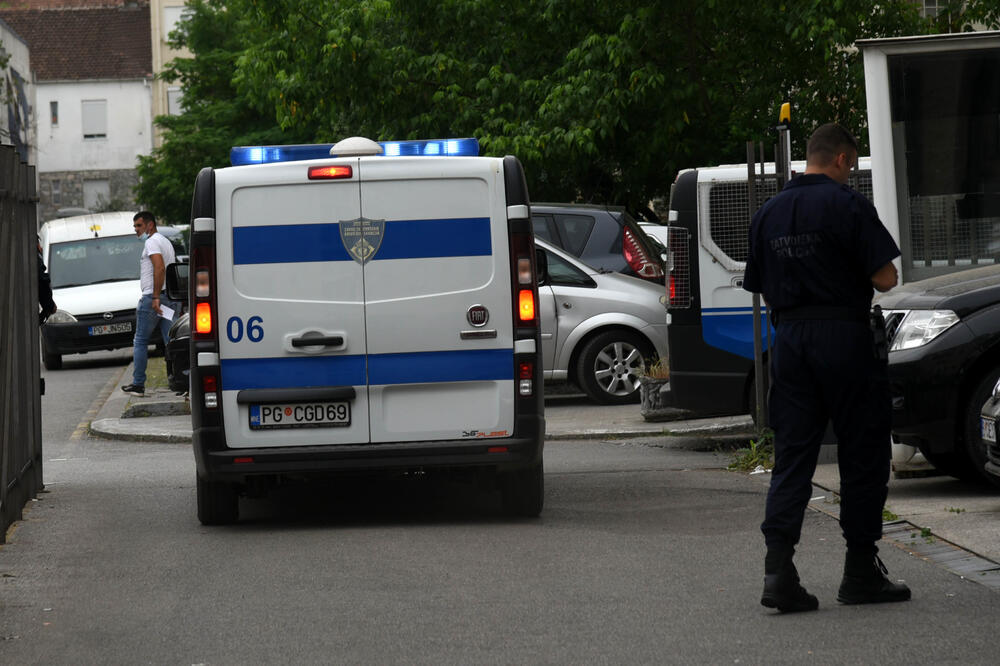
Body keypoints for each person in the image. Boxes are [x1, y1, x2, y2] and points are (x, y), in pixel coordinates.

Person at [743, 123, 911, 613]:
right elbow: (885, 278)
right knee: (863, 449)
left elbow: (761, 286)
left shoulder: (767, 213)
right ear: (840, 159)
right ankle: (860, 570)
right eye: (852, 164)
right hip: (845, 337)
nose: (851, 173)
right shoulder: (849, 204)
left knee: (793, 453)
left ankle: (779, 571)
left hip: (790, 340)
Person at [121, 211, 178, 397]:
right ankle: (180, 379)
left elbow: (159, 267)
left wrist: (154, 297)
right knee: (171, 341)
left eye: (139, 225)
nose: (136, 230)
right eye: (135, 226)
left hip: (153, 299)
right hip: (168, 297)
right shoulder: (165, 241)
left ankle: (138, 384)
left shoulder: (152, 242)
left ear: (149, 225)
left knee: (140, 341)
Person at [37, 237, 57, 324]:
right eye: (39, 244)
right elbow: (42, 280)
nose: (41, 247)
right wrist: (50, 306)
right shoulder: (36, 257)